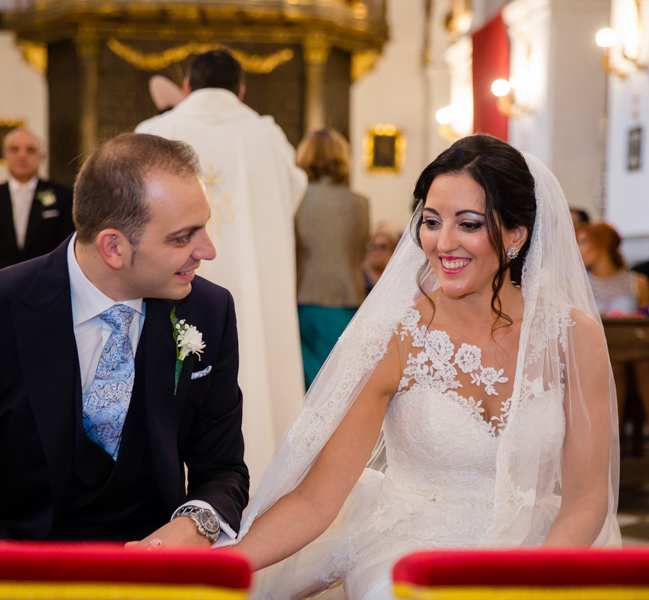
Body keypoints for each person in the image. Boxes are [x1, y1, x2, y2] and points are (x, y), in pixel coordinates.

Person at [233, 135, 620, 599]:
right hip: (410, 552)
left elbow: (587, 497)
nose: (443, 242)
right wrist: (219, 566)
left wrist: (529, 579)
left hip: (539, 549)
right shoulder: (395, 336)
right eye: (432, 222)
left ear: (517, 235)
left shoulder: (572, 335)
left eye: (468, 224)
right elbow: (317, 499)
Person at [0, 133, 249, 544]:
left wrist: (193, 526)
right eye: (183, 237)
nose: (209, 250)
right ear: (113, 247)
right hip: (15, 567)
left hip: (151, 568)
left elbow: (223, 470)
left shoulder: (209, 311)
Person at [136, 49, 308, 488]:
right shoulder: (267, 136)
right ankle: (262, 488)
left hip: (174, 285)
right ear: (242, 89)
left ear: (188, 86)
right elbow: (293, 193)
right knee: (258, 369)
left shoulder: (154, 134)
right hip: (256, 288)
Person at [577, 222, 649, 457]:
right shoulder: (578, 284)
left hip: (636, 353)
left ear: (602, 244)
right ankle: (612, 441)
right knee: (613, 365)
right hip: (593, 355)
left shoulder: (637, 282)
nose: (578, 248)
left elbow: (647, 325)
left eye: (583, 242)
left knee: (646, 361)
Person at [294, 129, 370, 388]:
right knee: (340, 388)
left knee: (308, 388)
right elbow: (358, 252)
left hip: (305, 300)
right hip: (349, 300)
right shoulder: (360, 203)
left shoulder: (296, 200)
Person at [0, 128, 74, 273]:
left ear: (42, 157)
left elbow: (67, 242)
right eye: (14, 149)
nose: (22, 155)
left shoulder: (63, 196)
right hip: (0, 281)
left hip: (45, 278)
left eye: (30, 150)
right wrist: (8, 274)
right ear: (5, 155)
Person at [362, 223, 400, 294]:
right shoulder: (361, 281)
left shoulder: (398, 280)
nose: (377, 252)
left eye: (383, 247)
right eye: (373, 247)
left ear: (393, 252)